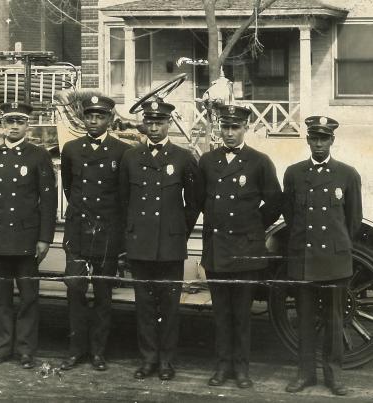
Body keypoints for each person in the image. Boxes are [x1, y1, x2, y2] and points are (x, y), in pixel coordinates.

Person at [199, 104, 282, 388]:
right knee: (220, 314)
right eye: (225, 127)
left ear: (245, 128)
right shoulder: (208, 161)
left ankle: (242, 370)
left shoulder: (259, 161)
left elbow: (275, 201)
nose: (230, 133)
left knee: (242, 314)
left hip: (246, 249)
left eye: (235, 127)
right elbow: (199, 200)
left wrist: (252, 224)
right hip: (218, 248)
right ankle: (223, 367)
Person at [119, 100, 202, 380]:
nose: (154, 128)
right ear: (144, 124)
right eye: (150, 123)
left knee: (169, 305)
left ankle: (167, 360)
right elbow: (123, 202)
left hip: (170, 246)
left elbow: (193, 203)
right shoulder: (131, 157)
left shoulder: (183, 157)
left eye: (160, 123)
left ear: (168, 124)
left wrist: (179, 231)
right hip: (140, 244)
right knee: (143, 305)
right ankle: (148, 358)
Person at [0, 102, 57, 369]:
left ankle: (25, 350)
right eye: (9, 121)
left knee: (29, 298)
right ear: (1, 124)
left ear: (27, 125)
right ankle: (2, 347)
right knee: (1, 299)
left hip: (27, 241)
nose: (14, 126)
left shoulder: (38, 156)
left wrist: (44, 238)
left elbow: (48, 201)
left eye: (19, 122)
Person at [283, 116, 362, 396]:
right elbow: (290, 217)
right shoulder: (294, 174)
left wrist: (336, 246)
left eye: (324, 138)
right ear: (307, 140)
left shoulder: (347, 174)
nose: (318, 144)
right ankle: (305, 375)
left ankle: (333, 376)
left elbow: (353, 220)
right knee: (304, 320)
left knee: (333, 320)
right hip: (303, 259)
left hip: (334, 262)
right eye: (314, 138)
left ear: (332, 141)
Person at [58, 95, 130, 371]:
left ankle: (98, 352)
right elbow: (68, 187)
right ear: (83, 118)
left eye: (99, 116)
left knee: (103, 295)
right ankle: (76, 351)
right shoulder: (72, 149)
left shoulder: (122, 151)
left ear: (109, 119)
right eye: (89, 116)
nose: (93, 121)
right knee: (75, 292)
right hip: (78, 231)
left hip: (107, 233)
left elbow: (123, 196)